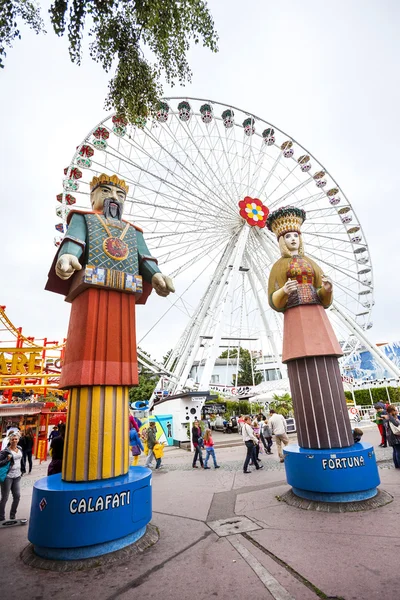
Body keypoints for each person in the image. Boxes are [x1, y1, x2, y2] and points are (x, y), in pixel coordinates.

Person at [267, 207, 353, 450]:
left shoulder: (311, 263)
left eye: (296, 236)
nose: (293, 239)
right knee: (301, 357)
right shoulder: (278, 267)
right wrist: (284, 291)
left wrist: (326, 289)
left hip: (316, 315)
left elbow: (323, 296)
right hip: (295, 316)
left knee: (325, 353)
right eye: (288, 237)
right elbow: (272, 298)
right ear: (282, 241)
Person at [0, 433, 22, 521]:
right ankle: (1, 517)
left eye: (16, 439)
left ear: (18, 440)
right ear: (10, 440)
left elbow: (21, 460)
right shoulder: (5, 451)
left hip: (17, 476)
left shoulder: (20, 449)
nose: (14, 441)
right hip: (7, 477)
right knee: (5, 497)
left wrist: (22, 470)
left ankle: (12, 515)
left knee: (17, 496)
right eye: (12, 439)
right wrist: (7, 459)